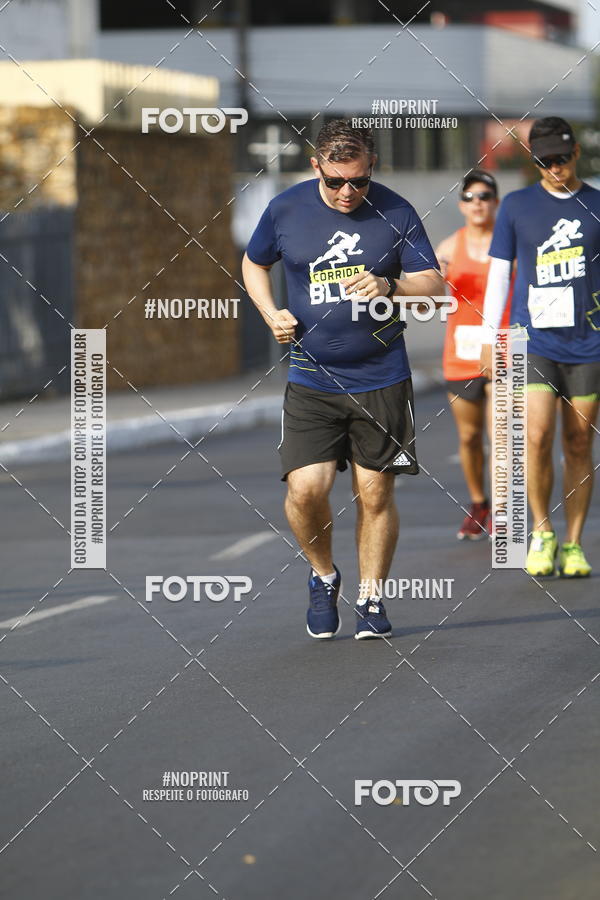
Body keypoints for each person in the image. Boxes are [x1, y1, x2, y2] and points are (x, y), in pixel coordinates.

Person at [242, 119, 442, 639]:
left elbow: (435, 286)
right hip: (312, 378)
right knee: (307, 490)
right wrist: (269, 312)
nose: (348, 192)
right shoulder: (286, 208)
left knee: (374, 495)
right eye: (335, 182)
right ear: (316, 168)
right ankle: (323, 573)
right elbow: (252, 262)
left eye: (358, 180)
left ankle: (371, 598)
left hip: (381, 378)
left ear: (371, 167)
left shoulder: (395, 210)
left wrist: (389, 282)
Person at [480, 116, 600, 577]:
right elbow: (499, 275)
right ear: (534, 162)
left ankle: (573, 543)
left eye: (562, 158)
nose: (555, 168)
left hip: (588, 343)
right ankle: (542, 531)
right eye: (545, 161)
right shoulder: (515, 206)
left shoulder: (595, 205)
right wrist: (493, 339)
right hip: (532, 340)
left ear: (576, 155)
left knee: (578, 440)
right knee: (536, 435)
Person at [436, 170, 511, 540]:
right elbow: (428, 293)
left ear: (496, 201)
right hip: (461, 353)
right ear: (461, 205)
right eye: (469, 197)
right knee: (468, 436)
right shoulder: (449, 248)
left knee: (501, 434)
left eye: (484, 195)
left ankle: (501, 510)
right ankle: (479, 503)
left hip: (503, 351)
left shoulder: (509, 241)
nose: (477, 202)